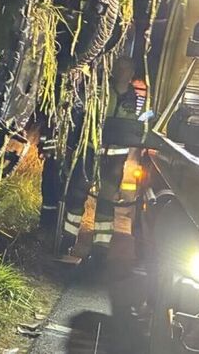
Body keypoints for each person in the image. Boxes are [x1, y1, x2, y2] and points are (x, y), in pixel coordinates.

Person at [59, 57, 144, 262]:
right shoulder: (99, 90)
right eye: (120, 68)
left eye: (127, 69)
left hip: (116, 159)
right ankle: (67, 239)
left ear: (131, 73)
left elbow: (142, 122)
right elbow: (82, 113)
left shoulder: (138, 99)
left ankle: (100, 248)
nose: (123, 72)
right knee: (78, 194)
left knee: (106, 202)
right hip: (91, 151)